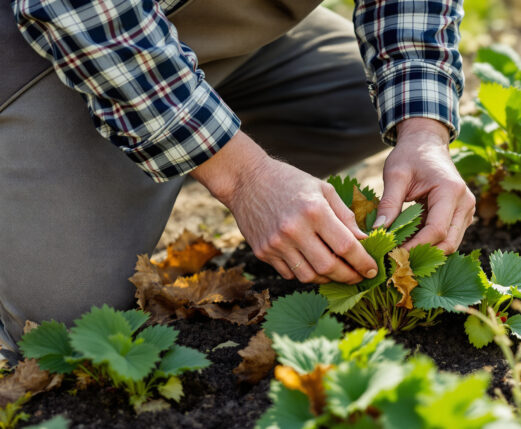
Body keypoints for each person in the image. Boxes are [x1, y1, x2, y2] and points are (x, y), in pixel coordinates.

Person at [0, 0, 475, 349]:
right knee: (64, 319)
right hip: (58, 47)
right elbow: (75, 9)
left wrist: (423, 130)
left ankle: (173, 134)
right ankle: (160, 142)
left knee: (361, 102)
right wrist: (244, 177)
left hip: (206, 24)